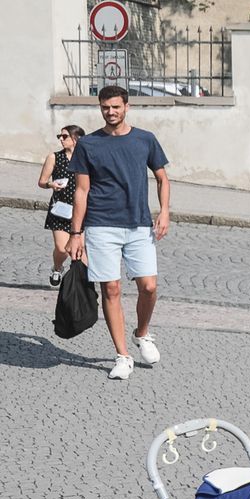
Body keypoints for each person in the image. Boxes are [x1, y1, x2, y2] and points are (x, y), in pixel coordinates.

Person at [64, 87, 170, 380]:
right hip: (101, 225)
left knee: (148, 287)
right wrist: (76, 233)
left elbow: (162, 178)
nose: (110, 112)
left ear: (126, 106)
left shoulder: (145, 139)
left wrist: (164, 211)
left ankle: (142, 333)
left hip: (138, 224)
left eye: (115, 107)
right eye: (105, 108)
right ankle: (123, 356)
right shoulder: (88, 144)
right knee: (111, 289)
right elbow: (82, 191)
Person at [38, 125, 85, 287]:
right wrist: (51, 185)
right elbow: (42, 182)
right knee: (62, 248)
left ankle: (77, 285)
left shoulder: (86, 158)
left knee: (80, 251)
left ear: (76, 139)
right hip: (60, 209)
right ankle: (57, 268)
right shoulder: (54, 157)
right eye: (60, 136)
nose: (60, 139)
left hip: (82, 209)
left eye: (64, 136)